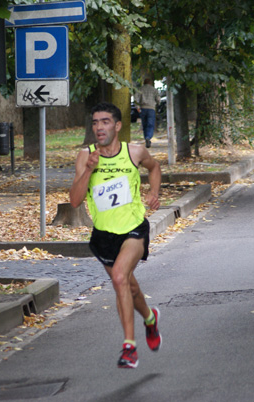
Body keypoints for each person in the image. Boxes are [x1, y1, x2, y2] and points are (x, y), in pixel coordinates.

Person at [70, 102, 162, 369]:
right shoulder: (85, 155)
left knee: (120, 277)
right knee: (129, 286)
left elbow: (154, 167)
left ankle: (129, 347)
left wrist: (154, 192)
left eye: (105, 122)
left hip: (133, 227)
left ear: (118, 126)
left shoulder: (134, 152)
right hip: (104, 234)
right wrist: (88, 169)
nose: (99, 127)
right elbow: (75, 201)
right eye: (95, 122)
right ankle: (150, 319)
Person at [134, 78, 161, 148]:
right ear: (150, 83)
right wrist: (158, 103)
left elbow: (136, 98)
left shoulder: (140, 89)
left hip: (143, 108)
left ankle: (146, 137)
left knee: (144, 124)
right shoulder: (154, 90)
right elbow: (158, 99)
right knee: (150, 124)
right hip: (151, 108)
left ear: (144, 83)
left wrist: (137, 107)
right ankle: (148, 137)